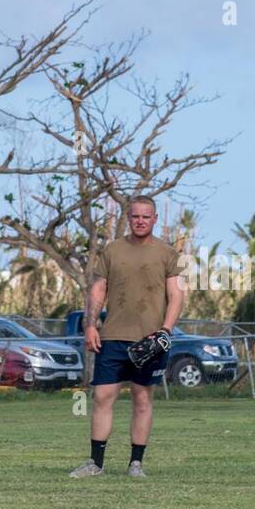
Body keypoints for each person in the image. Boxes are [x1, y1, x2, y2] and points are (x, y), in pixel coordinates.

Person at [69, 196, 185, 478]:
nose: (140, 221)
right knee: (102, 395)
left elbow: (177, 295)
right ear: (129, 217)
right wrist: (91, 325)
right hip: (113, 337)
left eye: (146, 217)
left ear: (155, 219)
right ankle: (95, 463)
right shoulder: (112, 250)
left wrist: (166, 331)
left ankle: (136, 464)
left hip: (151, 339)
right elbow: (98, 290)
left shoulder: (170, 254)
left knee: (142, 398)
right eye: (135, 217)